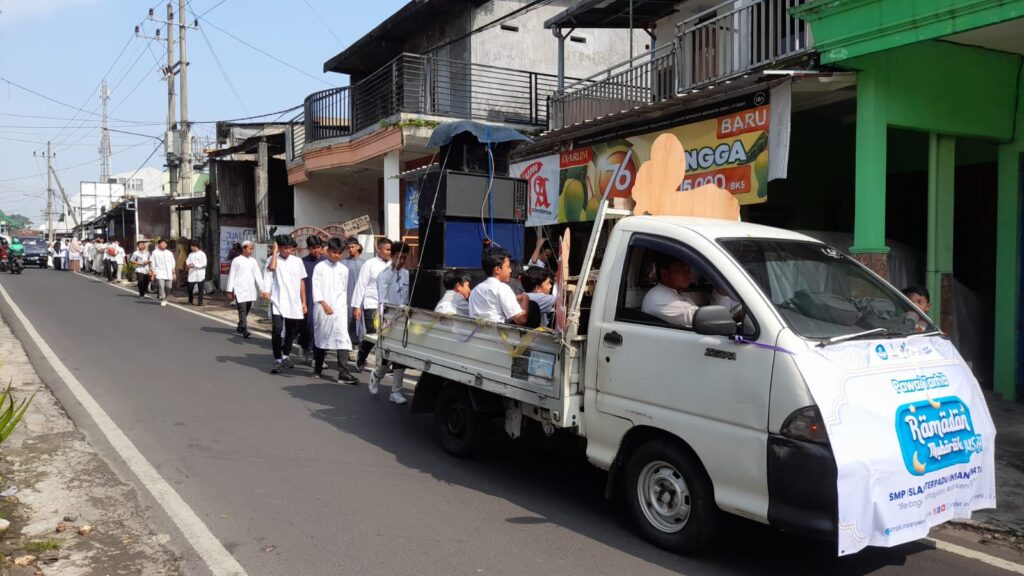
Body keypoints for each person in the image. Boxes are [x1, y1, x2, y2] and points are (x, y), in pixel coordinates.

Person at [310, 238, 359, 384]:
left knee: (342, 339)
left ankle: (343, 372)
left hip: (339, 310)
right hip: (322, 309)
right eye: (334, 252)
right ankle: (317, 369)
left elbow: (343, 291)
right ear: (328, 251)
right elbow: (316, 288)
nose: (337, 255)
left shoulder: (344, 269)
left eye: (339, 253)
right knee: (322, 338)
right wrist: (324, 304)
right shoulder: (320, 267)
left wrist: (343, 309)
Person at [368, 241, 410, 404]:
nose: (401, 262)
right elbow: (381, 302)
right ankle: (376, 375)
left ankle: (396, 392)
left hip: (404, 320)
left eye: (404, 259)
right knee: (386, 358)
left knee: (401, 357)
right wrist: (381, 324)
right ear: (391, 256)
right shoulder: (383, 276)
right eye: (398, 258)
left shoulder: (407, 274)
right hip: (388, 320)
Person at [263, 235, 307, 374]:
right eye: (286, 248)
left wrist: (304, 302)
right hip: (278, 300)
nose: (289, 251)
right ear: (280, 247)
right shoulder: (272, 260)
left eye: (291, 248)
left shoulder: (297, 261)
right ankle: (278, 359)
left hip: (293, 301)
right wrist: (275, 252)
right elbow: (272, 269)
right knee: (277, 330)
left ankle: (286, 354)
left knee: (292, 330)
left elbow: (301, 282)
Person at [351, 237, 393, 371]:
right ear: (378, 249)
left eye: (391, 250)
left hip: (389, 306)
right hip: (372, 304)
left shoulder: (394, 264)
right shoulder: (369, 264)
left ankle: (385, 364)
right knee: (373, 334)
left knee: (387, 335)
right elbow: (361, 285)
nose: (389, 252)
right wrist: (357, 306)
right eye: (387, 249)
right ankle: (361, 358)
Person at [468, 248, 529, 325]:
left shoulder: (475, 290)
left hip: (475, 335)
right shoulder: (502, 288)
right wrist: (525, 298)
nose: (510, 270)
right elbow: (521, 320)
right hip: (497, 335)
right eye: (508, 267)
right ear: (497, 269)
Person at [641, 256, 699, 328]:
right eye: (682, 269)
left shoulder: (670, 291)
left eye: (689, 269)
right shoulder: (660, 298)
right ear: (665, 274)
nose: (689, 274)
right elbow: (702, 318)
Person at [226, 240, 264, 338]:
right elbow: (232, 275)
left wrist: (262, 288)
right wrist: (229, 290)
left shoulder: (253, 261)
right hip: (240, 288)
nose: (251, 251)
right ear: (243, 249)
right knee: (242, 309)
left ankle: (240, 325)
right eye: (250, 249)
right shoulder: (236, 260)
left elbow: (258, 275)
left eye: (252, 249)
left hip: (250, 289)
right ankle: (245, 329)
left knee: (247, 308)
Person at [299, 236, 326, 365]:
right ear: (308, 249)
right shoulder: (303, 262)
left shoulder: (326, 262)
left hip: (323, 298)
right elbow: (300, 282)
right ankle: (305, 348)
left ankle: (318, 357)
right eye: (313, 248)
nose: (316, 250)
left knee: (322, 326)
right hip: (308, 297)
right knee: (308, 325)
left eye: (318, 248)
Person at [341, 238, 365, 351]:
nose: (350, 249)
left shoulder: (365, 263)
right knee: (349, 319)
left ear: (358, 247)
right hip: (348, 297)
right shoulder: (343, 263)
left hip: (363, 297)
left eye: (352, 247)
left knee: (362, 320)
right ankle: (350, 345)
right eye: (348, 248)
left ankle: (361, 345)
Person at [151, 239, 176, 306]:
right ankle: (163, 298)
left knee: (169, 287)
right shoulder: (155, 252)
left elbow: (173, 262)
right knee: (161, 286)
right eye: (162, 243)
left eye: (165, 243)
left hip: (169, 272)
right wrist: (153, 273)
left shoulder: (169, 253)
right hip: (159, 271)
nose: (163, 245)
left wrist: (174, 273)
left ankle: (166, 296)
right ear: (159, 244)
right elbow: (153, 263)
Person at [185, 241, 207, 306]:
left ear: (195, 246)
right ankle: (190, 300)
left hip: (200, 273)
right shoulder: (191, 254)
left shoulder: (202, 254)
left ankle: (200, 302)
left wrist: (195, 265)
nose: (191, 248)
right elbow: (187, 261)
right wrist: (189, 265)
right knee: (190, 288)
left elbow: (204, 264)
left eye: (191, 246)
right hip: (192, 273)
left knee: (200, 288)